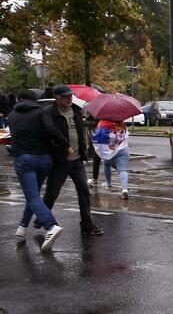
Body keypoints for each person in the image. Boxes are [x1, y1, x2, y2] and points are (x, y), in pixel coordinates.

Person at [41, 85, 103, 236]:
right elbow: (50, 129)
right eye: (65, 96)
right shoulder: (48, 112)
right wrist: (65, 145)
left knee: (84, 191)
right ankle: (42, 218)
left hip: (76, 160)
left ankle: (87, 225)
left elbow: (80, 130)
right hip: (59, 161)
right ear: (57, 98)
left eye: (70, 96)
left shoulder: (75, 109)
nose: (69, 98)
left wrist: (85, 148)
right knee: (52, 194)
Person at [9, 90, 63, 250]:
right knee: (34, 196)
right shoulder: (41, 113)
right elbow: (51, 131)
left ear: (19, 99)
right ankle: (22, 227)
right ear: (35, 100)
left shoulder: (12, 115)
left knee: (32, 196)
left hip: (24, 159)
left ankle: (51, 226)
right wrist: (65, 145)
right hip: (44, 159)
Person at [93, 119, 130, 200]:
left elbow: (98, 137)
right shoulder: (121, 122)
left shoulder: (103, 123)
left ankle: (109, 183)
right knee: (122, 170)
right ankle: (124, 190)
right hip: (123, 149)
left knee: (106, 164)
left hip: (110, 151)